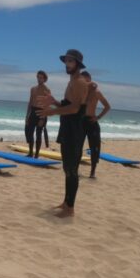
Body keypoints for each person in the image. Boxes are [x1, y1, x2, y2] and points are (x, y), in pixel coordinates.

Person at [35, 49, 90, 218]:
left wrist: (51, 112)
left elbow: (74, 109)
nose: (67, 64)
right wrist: (54, 102)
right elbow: (68, 105)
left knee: (72, 169)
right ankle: (66, 202)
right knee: (67, 168)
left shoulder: (80, 82)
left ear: (78, 64)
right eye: (66, 61)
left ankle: (70, 208)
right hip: (67, 127)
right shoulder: (72, 81)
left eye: (71, 61)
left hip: (75, 129)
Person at [80, 71, 110, 178]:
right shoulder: (81, 91)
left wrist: (98, 117)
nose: (83, 81)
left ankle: (92, 172)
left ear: (89, 78)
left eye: (85, 79)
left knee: (94, 147)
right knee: (78, 146)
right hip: (81, 121)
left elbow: (107, 106)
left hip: (92, 122)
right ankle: (76, 169)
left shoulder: (96, 92)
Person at [25, 71, 51, 158]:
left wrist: (43, 118)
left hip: (42, 112)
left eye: (41, 78)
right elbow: (30, 102)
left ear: (44, 79)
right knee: (29, 132)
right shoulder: (33, 89)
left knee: (38, 134)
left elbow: (47, 105)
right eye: (38, 77)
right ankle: (30, 152)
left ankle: (36, 155)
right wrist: (27, 115)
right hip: (33, 111)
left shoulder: (47, 90)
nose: (39, 79)